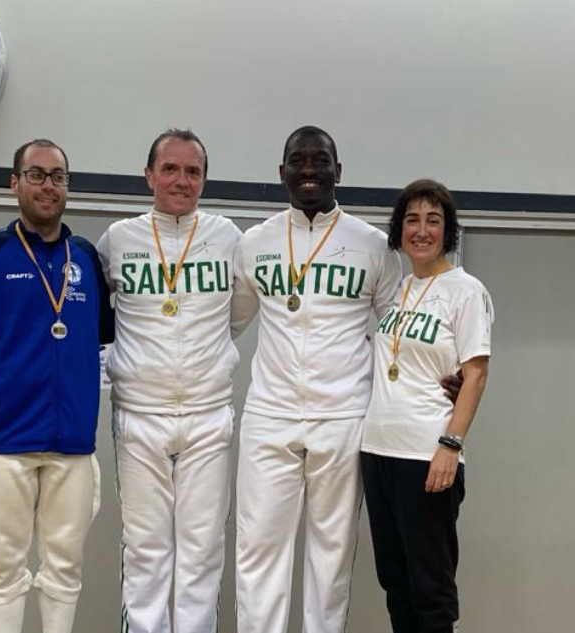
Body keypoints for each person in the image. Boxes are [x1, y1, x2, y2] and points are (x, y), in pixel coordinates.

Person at [231, 125, 403, 633]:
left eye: (320, 160)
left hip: (344, 415)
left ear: (338, 172)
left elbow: (398, 332)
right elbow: (230, 321)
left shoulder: (374, 246)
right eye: (298, 160)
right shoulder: (254, 242)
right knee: (258, 551)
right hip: (270, 415)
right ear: (281, 172)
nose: (309, 169)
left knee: (332, 557)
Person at [0, 139, 114, 633]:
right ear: (14, 183)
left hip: (73, 444)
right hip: (5, 440)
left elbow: (106, 335)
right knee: (3, 566)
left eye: (58, 176)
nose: (48, 186)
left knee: (65, 567)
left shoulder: (85, 258)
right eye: (36, 175)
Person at [96, 129, 241, 633]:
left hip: (207, 416)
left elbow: (237, 314)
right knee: (146, 550)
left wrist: (208, 358)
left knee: (203, 550)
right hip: (140, 417)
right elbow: (99, 317)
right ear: (149, 175)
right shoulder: (118, 240)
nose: (182, 180)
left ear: (204, 179)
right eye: (171, 169)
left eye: (193, 171)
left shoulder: (229, 237)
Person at [359, 179, 492, 633]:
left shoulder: (465, 290)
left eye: (433, 220)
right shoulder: (398, 289)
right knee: (396, 585)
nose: (422, 230)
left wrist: (450, 446)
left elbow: (475, 373)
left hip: (426, 456)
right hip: (377, 450)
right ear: (398, 229)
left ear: (447, 230)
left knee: (431, 591)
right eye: (412, 219)